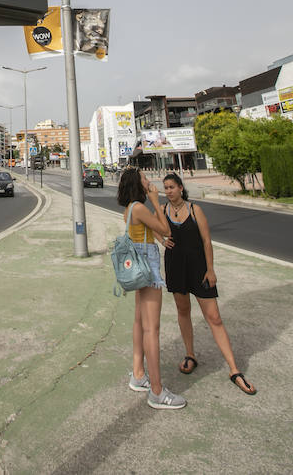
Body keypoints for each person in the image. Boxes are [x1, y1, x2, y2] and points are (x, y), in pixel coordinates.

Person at [161, 172, 257, 395]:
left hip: (199, 269)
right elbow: (151, 226)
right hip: (175, 267)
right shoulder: (163, 211)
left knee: (214, 317)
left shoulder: (195, 210)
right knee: (182, 311)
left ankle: (234, 369)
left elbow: (206, 241)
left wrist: (211, 270)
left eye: (172, 187)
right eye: (165, 188)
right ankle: (190, 354)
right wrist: (161, 239)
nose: (168, 191)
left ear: (181, 188)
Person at [117, 166, 187, 410]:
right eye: (145, 178)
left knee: (139, 322)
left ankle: (138, 374)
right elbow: (165, 228)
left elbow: (145, 232)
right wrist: (157, 201)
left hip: (138, 266)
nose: (149, 181)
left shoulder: (130, 209)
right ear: (138, 184)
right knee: (151, 329)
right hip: (148, 269)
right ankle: (157, 391)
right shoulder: (139, 207)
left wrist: (158, 239)